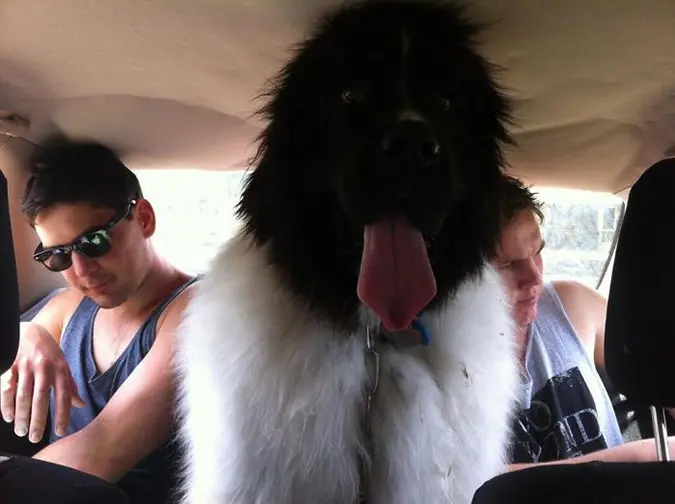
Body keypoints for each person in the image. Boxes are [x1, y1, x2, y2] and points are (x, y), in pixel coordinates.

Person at [0, 139, 198, 503]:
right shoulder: (69, 306)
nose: (81, 271)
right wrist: (25, 333)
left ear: (144, 218)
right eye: (58, 256)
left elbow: (102, 450)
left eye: (93, 241)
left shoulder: (194, 313)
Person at [493, 175, 675, 471]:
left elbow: (657, 364)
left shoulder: (571, 304)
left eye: (537, 251)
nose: (536, 279)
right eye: (505, 264)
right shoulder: (433, 365)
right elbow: (467, 483)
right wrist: (645, 455)